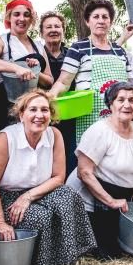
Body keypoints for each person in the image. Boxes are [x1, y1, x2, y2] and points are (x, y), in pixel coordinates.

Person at [0, 90, 96, 265]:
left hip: (39, 192)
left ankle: (71, 256)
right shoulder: (6, 139)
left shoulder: (54, 135)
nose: (39, 115)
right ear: (21, 115)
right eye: (33, 110)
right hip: (8, 199)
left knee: (68, 196)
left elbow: (59, 177)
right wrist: (0, 223)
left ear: (51, 115)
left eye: (44, 110)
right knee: (40, 217)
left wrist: (28, 197)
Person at [66, 82, 133, 258]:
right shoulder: (99, 131)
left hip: (118, 194)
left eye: (132, 100)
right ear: (111, 104)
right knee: (109, 254)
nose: (127, 105)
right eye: (121, 100)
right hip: (92, 199)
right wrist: (110, 201)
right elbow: (84, 172)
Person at [50, 0, 133, 144]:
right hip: (90, 119)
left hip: (120, 118)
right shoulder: (78, 48)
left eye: (105, 17)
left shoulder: (120, 51)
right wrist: (49, 96)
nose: (101, 21)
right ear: (87, 22)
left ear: (110, 22)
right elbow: (63, 82)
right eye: (96, 17)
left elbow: (130, 86)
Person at [0, 0, 52, 164]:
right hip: (2, 101)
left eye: (26, 15)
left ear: (31, 19)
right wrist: (16, 68)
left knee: (27, 149)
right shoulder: (1, 40)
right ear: (9, 18)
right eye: (16, 14)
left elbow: (49, 81)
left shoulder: (39, 46)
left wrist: (34, 71)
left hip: (31, 105)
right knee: (1, 148)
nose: (22, 19)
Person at [40, 11, 78, 174]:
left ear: (63, 30)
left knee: (69, 150)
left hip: (69, 113)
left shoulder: (72, 54)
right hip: (43, 112)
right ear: (41, 32)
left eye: (57, 26)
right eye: (48, 27)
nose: (53, 30)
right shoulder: (37, 55)